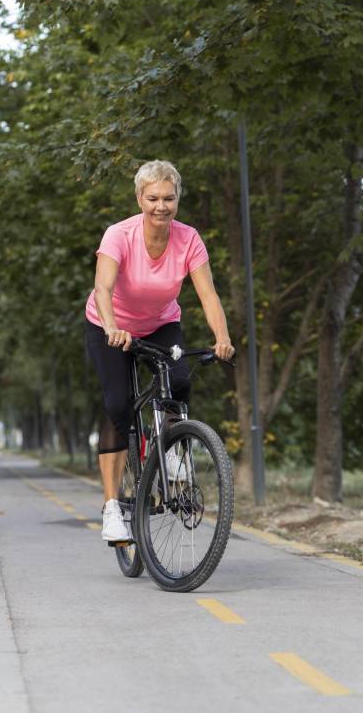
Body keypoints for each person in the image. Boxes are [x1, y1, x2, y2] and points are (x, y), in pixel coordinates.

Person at [85, 159, 234, 542]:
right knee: (119, 406)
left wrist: (222, 337)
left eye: (169, 198)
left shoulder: (188, 238)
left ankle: (168, 448)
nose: (161, 206)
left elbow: (207, 293)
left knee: (180, 379)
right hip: (110, 324)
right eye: (153, 198)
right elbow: (103, 289)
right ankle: (111, 508)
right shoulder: (119, 235)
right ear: (139, 198)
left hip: (161, 323)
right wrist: (113, 327)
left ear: (177, 199)